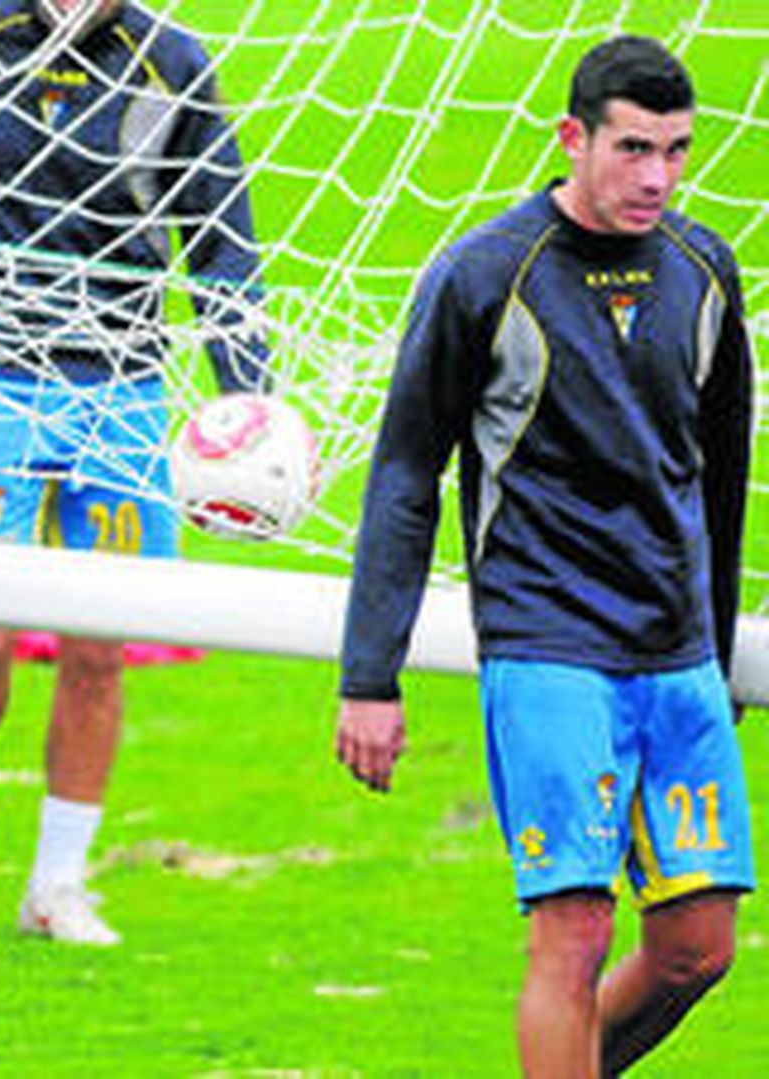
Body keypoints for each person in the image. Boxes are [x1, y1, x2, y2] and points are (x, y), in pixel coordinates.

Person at [335, 36, 753, 1076]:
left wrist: (711, 630)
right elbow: (402, 476)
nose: (655, 176)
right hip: (548, 646)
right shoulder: (483, 275)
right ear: (573, 138)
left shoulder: (704, 270)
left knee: (698, 949)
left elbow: (723, 471)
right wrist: (368, 675)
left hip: (675, 656)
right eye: (631, 149)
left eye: (675, 151)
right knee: (572, 936)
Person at [0, 0, 267, 946]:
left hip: (122, 387)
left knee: (101, 641)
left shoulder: (174, 66)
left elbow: (223, 243)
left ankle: (57, 883)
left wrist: (250, 399)